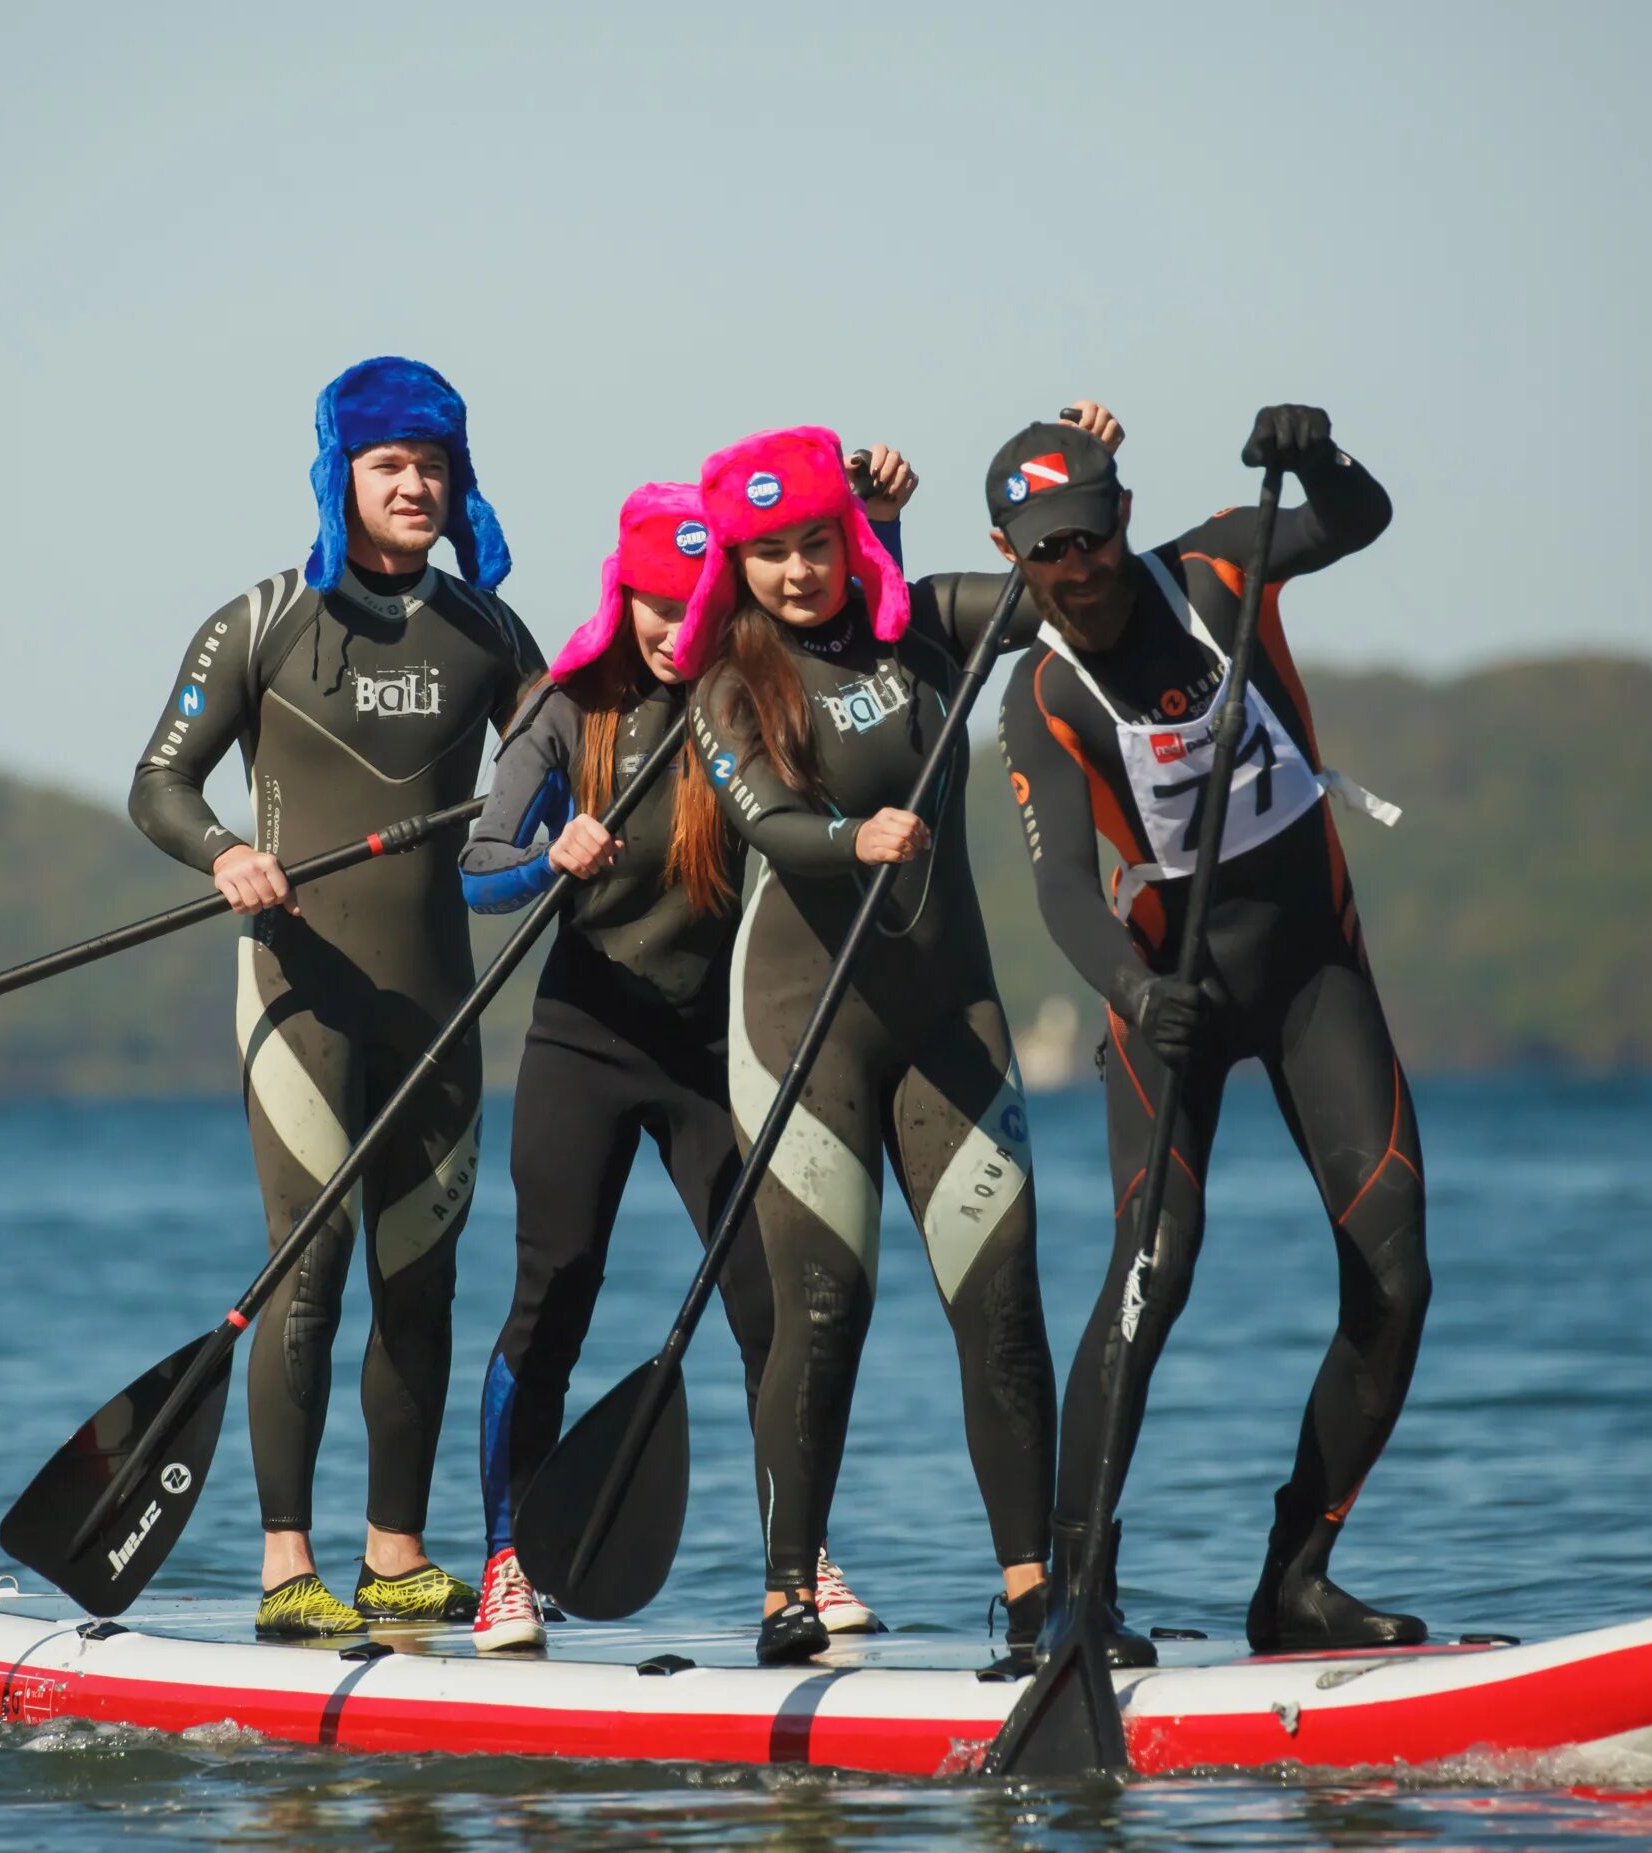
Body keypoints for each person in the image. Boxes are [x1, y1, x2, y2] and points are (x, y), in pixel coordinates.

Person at [990, 404, 1430, 1653]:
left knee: (1397, 1269)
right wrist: (1134, 997)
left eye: (1085, 536)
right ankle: (1076, 1596)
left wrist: (1326, 452)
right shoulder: (1041, 693)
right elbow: (1065, 889)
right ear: (1012, 554)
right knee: (1152, 1273)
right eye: (1044, 551)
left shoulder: (1220, 570)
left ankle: (1295, 1579)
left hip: (1311, 977)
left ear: (1120, 516)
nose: (1073, 568)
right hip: (1165, 1005)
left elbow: (1357, 521)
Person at [130, 356, 545, 1638]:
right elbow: (160, 786)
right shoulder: (257, 622)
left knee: (422, 1282)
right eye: (389, 465)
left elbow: (566, 768)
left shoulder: (487, 634)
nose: (416, 486)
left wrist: (561, 847)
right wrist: (225, 856)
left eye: (434, 465)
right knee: (306, 1276)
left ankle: (398, 1556)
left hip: (440, 1007)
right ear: (338, 476)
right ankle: (285, 1566)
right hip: (298, 995)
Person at [458, 484, 883, 1654]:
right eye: (651, 601)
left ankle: (795, 1563)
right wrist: (552, 857)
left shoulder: (749, 700)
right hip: (585, 1034)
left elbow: (876, 648)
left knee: (768, 1302)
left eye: (687, 602)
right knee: (557, 1295)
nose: (668, 625)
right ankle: (505, 1560)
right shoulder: (564, 708)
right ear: (624, 593)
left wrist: (879, 529)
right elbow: (478, 872)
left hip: (713, 1045)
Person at [679, 424, 1065, 1667]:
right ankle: (790, 1588)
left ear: (850, 537)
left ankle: (1033, 1592)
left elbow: (1040, 583)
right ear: (737, 564)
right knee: (825, 1305)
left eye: (816, 543)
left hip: (952, 1015)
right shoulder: (727, 686)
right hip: (803, 1026)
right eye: (770, 551)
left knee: (1002, 1299)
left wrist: (1064, 471)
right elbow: (774, 820)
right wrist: (857, 840)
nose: (798, 571)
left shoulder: (922, 626)